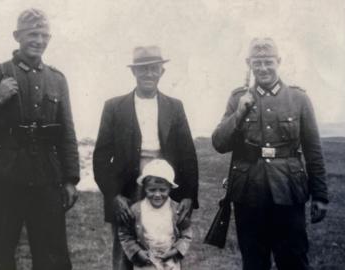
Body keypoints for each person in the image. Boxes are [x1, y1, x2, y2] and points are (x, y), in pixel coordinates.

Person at [0, 8, 79, 270]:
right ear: (17, 36)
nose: (39, 40)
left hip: (47, 178)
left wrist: (70, 180)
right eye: (33, 34)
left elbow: (66, 133)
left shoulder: (57, 80)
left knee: (52, 256)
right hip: (3, 180)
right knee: (0, 254)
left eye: (45, 35)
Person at [211, 38, 329, 270]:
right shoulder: (238, 98)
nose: (263, 68)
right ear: (249, 64)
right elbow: (219, 143)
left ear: (278, 62)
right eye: (257, 63)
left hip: (288, 191)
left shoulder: (299, 99)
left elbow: (313, 150)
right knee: (254, 262)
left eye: (268, 62)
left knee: (294, 260)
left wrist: (320, 195)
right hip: (248, 194)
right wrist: (239, 114)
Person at [93, 45, 199, 270]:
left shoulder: (174, 106)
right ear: (134, 72)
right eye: (143, 69)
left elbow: (187, 153)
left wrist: (188, 195)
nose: (149, 74)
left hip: (164, 186)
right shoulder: (114, 107)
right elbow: (101, 157)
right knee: (126, 251)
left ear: (162, 71)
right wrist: (114, 196)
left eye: (154, 69)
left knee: (166, 246)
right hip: (127, 188)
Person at [118, 159, 192, 270]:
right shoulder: (137, 210)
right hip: (145, 265)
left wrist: (175, 251)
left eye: (163, 190)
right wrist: (137, 252)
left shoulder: (176, 210)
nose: (157, 194)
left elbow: (186, 235)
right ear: (144, 188)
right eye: (152, 190)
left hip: (170, 264)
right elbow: (125, 234)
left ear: (170, 188)